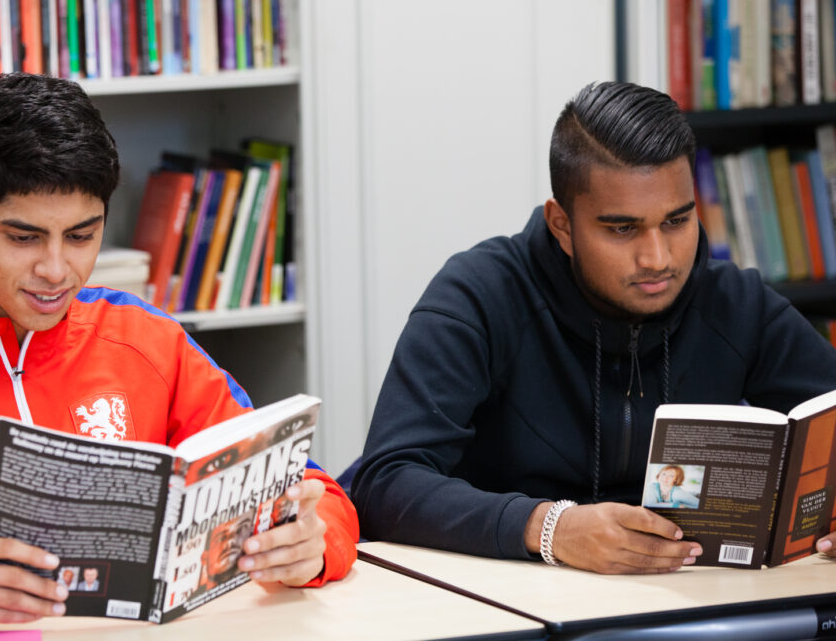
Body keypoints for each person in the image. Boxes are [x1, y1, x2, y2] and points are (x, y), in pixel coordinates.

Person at [0, 73, 358, 631]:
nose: (55, 270)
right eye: (23, 238)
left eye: (81, 235)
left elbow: (319, 493)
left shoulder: (147, 339)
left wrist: (313, 546)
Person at [351, 80, 836, 575]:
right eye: (622, 229)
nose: (658, 258)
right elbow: (386, 482)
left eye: (677, 221)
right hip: (513, 604)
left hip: (694, 603)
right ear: (562, 225)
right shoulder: (478, 296)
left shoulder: (736, 304)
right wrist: (550, 528)